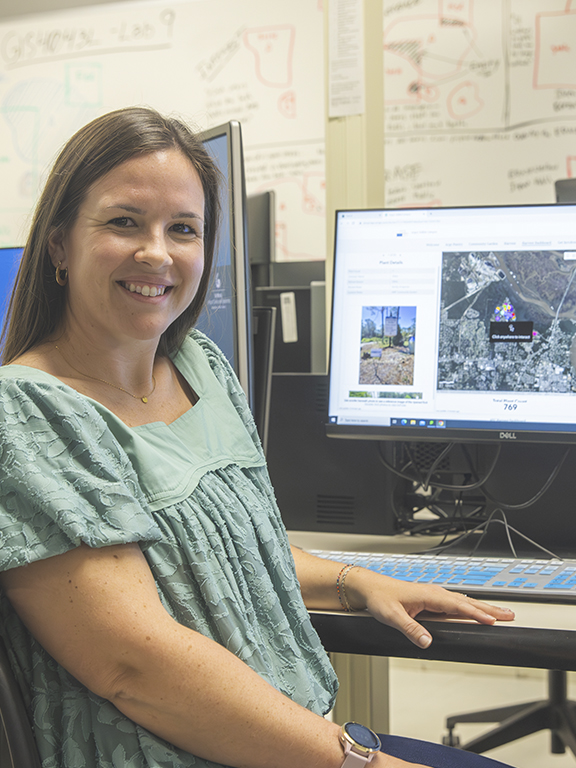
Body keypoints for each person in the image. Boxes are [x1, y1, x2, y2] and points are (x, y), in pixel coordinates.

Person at [0, 106, 515, 768]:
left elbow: (227, 552)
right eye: (124, 222)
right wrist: (362, 762)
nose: (156, 252)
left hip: (288, 744)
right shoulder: (29, 411)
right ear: (58, 245)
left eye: (183, 229)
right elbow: (136, 666)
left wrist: (355, 581)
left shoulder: (200, 368)